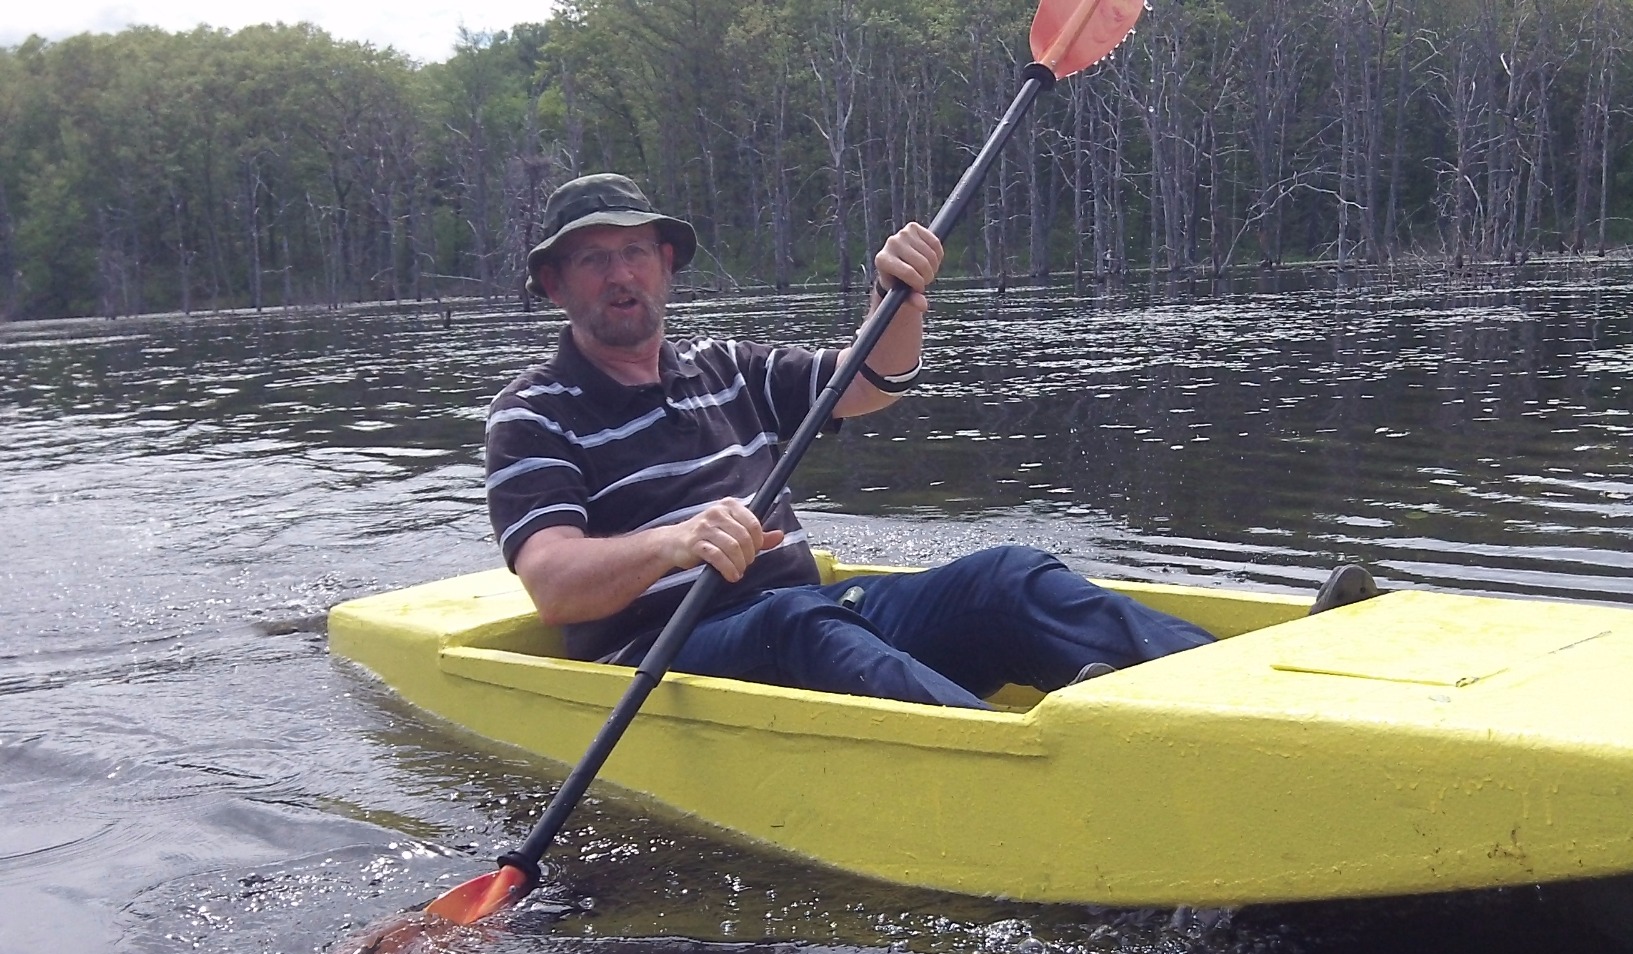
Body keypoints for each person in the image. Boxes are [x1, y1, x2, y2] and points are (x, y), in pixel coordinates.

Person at [485, 173, 1360, 711]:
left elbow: (867, 384)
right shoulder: (533, 410)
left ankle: (1224, 695)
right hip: (666, 655)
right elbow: (554, 585)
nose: (621, 274)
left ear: (665, 266)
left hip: (805, 617)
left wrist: (897, 300)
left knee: (1005, 575)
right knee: (799, 621)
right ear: (556, 284)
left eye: (636, 252)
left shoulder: (723, 365)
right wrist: (675, 542)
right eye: (594, 260)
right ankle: (1019, 766)